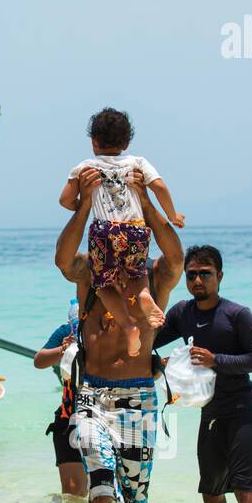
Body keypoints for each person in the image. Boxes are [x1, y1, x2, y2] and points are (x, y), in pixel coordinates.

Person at [54, 166, 184, 503]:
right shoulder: (93, 278)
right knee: (101, 481)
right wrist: (84, 207)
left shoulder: (154, 281)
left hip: (139, 398)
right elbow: (63, 260)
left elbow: (176, 257)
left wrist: (145, 200)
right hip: (92, 396)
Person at [58, 108, 185, 358]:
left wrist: (83, 203)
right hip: (136, 228)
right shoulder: (137, 163)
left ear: (94, 142)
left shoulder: (85, 167)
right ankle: (144, 295)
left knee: (102, 283)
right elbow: (160, 185)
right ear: (126, 142)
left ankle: (128, 326)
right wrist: (172, 214)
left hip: (104, 231)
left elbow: (64, 199)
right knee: (138, 275)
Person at [153, 245, 252, 503]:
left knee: (244, 488)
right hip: (211, 412)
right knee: (211, 490)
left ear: (220, 276)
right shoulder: (183, 312)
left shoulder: (237, 314)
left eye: (205, 274)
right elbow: (150, 342)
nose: (197, 281)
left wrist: (215, 359)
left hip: (242, 408)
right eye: (191, 275)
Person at [34, 322, 85, 497]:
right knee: (73, 495)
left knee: (110, 492)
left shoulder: (119, 327)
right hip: (69, 416)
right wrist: (62, 350)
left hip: (108, 416)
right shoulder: (70, 330)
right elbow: (39, 361)